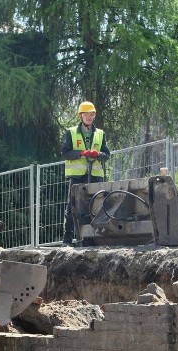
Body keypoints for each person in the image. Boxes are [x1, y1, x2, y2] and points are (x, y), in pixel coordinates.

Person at [60, 101, 111, 245]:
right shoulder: (71, 133)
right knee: (72, 207)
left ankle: (90, 238)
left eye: (92, 114)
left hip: (94, 176)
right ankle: (68, 239)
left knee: (95, 206)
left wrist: (98, 154)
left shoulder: (100, 134)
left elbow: (107, 154)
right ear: (80, 115)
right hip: (77, 176)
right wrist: (81, 153)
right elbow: (65, 152)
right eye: (87, 114)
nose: (90, 117)